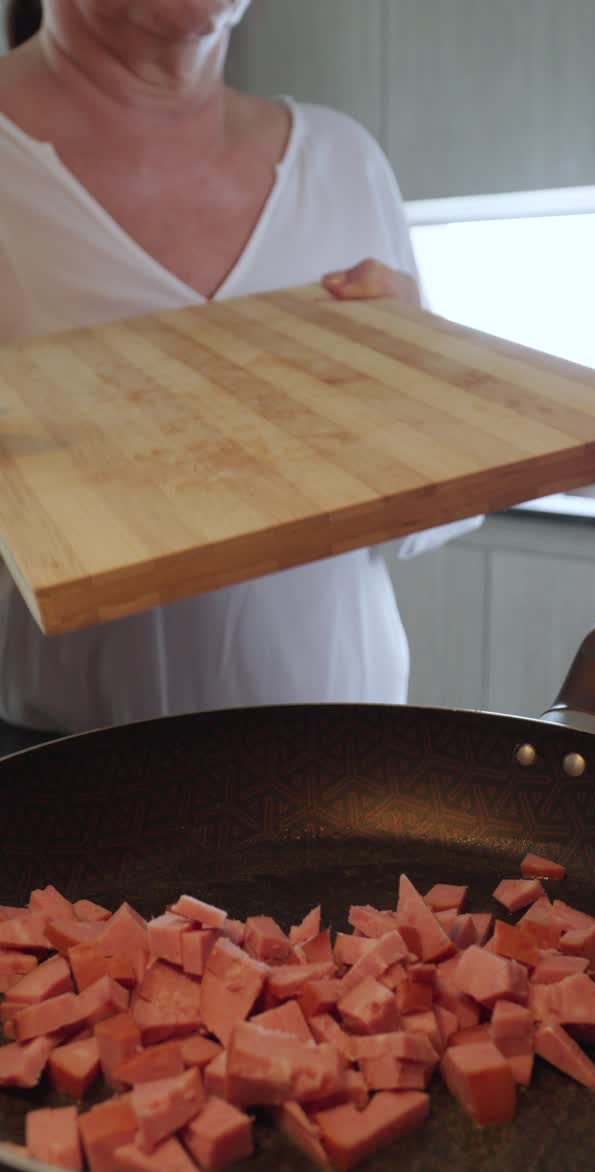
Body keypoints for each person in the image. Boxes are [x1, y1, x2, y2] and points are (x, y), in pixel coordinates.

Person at [0, 0, 482, 735]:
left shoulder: (346, 160)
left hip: (351, 766)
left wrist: (419, 400)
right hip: (63, 799)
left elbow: (428, 512)